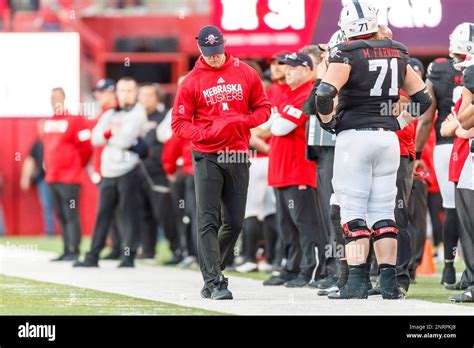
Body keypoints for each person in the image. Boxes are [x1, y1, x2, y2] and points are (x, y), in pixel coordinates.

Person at [317, 1, 431, 299]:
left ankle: (357, 281)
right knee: (384, 211)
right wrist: (398, 121)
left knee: (352, 210)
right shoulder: (398, 50)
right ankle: (390, 282)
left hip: (355, 137)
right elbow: (423, 97)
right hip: (387, 139)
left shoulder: (345, 52)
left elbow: (325, 94)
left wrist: (329, 123)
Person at [171, 25, 271, 300]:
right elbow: (178, 122)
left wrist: (243, 122)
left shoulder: (246, 71)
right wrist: (203, 134)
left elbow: (264, 108)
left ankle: (212, 273)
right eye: (208, 52)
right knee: (207, 219)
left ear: (224, 45)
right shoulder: (191, 81)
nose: (214, 57)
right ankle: (215, 281)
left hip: (238, 152)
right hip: (207, 155)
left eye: (217, 52)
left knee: (236, 222)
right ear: (200, 49)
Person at [415, 22, 473, 286]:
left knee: (452, 207)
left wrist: (416, 152)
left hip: (449, 143)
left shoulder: (439, 68)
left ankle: (450, 266)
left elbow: (427, 117)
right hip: (463, 139)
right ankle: (464, 270)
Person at [261, 52, 326, 287]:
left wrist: (275, 119)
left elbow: (278, 128)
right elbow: (263, 125)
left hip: (298, 170)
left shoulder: (306, 92)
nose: (287, 71)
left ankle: (312, 269)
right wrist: (275, 119)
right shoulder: (288, 93)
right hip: (281, 171)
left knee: (305, 225)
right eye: (285, 67)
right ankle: (291, 267)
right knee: (286, 226)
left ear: (308, 70)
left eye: (293, 67)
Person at [74, 77, 147, 268]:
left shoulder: (138, 112)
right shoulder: (111, 113)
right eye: (122, 90)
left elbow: (124, 139)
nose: (125, 94)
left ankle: (128, 255)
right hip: (109, 170)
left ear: (136, 93)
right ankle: (93, 255)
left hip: (128, 169)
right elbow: (95, 138)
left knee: (128, 214)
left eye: (130, 90)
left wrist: (108, 136)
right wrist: (109, 136)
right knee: (103, 213)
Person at [42, 87, 93, 261]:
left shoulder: (75, 119)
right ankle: (66, 249)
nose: (54, 100)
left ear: (64, 98)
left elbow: (86, 145)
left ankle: (74, 250)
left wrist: (78, 164)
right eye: (51, 97)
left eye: (57, 97)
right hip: (52, 176)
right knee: (60, 215)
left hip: (70, 177)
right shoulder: (48, 122)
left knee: (71, 214)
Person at [137, 82, 180, 260]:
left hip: (159, 172)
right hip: (140, 171)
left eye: (150, 96)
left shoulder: (164, 116)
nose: (145, 99)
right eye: (143, 95)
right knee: (143, 213)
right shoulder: (136, 118)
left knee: (165, 214)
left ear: (158, 98)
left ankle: (177, 249)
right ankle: (148, 250)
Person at [89, 78, 123, 260]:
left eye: (102, 92)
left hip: (115, 167)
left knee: (118, 210)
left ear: (111, 92)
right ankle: (117, 247)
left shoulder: (117, 113)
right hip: (104, 168)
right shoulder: (104, 114)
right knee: (111, 210)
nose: (98, 96)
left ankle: (126, 248)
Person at [20, 120, 55, 236]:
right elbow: (30, 160)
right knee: (47, 206)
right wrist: (25, 177)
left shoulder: (55, 140)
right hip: (43, 179)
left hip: (57, 178)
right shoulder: (37, 145)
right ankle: (49, 231)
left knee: (62, 205)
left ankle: (66, 232)